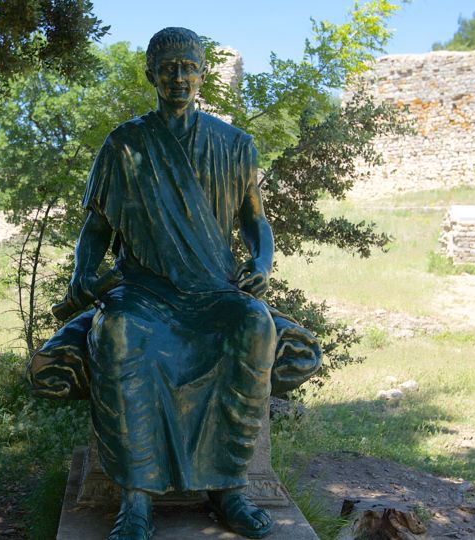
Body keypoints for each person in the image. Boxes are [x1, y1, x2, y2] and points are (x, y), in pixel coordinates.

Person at [28, 27, 320, 540]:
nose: (179, 77)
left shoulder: (235, 146)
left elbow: (256, 223)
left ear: (201, 74)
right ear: (151, 75)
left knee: (253, 325)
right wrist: (82, 274)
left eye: (188, 67)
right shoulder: (124, 145)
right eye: (168, 69)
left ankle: (229, 488)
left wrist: (263, 260)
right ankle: (136, 501)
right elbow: (96, 228)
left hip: (213, 292)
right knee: (118, 333)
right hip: (144, 293)